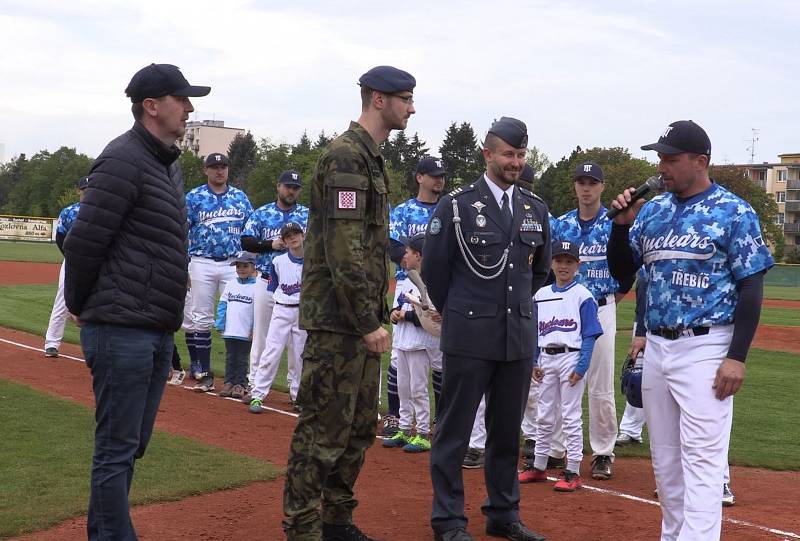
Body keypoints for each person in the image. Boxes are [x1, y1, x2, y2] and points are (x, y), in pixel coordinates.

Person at [63, 63, 209, 540]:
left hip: (154, 328)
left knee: (132, 445)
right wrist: (83, 304)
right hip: (121, 326)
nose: (189, 108)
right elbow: (84, 242)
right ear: (152, 105)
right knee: (117, 446)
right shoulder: (123, 159)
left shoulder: (166, 164)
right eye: (181, 99)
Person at [607, 120, 773, 540]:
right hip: (658, 348)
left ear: (700, 162)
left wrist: (736, 356)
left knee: (702, 461)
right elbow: (622, 275)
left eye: (671, 158)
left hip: (708, 345)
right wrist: (620, 225)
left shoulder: (734, 211)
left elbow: (752, 286)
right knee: (665, 461)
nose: (662, 166)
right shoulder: (654, 212)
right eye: (660, 157)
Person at [282, 65, 415, 541]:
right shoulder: (345, 157)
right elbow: (344, 248)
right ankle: (302, 526)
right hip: (340, 323)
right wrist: (366, 320)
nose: (411, 108)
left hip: (358, 323)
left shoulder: (371, 158)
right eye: (405, 98)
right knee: (323, 428)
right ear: (378, 99)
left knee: (359, 427)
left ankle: (337, 519)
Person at [423, 116, 550, 541]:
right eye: (508, 154)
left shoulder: (535, 209)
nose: (515, 162)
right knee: (454, 433)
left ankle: (503, 513)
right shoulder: (457, 206)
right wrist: (462, 312)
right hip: (469, 336)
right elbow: (434, 271)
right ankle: (449, 520)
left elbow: (540, 272)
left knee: (505, 433)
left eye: (520, 155)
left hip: (516, 337)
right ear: (488, 154)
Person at [549, 161, 634, 480]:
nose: (586, 187)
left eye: (592, 182)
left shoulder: (614, 223)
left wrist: (610, 301)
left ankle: (602, 452)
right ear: (575, 186)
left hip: (599, 307)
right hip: (565, 310)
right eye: (581, 182)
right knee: (559, 378)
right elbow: (549, 268)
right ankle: (556, 449)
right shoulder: (561, 224)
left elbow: (627, 271)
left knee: (599, 383)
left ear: (602, 186)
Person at [524, 240, 602, 492]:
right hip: (546, 358)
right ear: (551, 264)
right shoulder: (541, 295)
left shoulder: (583, 296)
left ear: (577, 266)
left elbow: (590, 334)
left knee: (570, 416)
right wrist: (535, 359)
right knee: (543, 414)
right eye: (559, 260)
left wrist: (582, 366)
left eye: (569, 261)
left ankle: (573, 471)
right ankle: (538, 465)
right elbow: (535, 333)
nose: (563, 266)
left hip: (571, 357)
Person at [385, 156, 446, 437]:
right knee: (401, 357)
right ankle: (396, 417)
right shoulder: (404, 211)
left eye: (441, 175)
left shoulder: (449, 209)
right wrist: (419, 266)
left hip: (440, 287)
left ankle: (440, 420)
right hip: (407, 283)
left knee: (439, 360)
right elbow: (392, 245)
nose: (439, 180)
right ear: (419, 177)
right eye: (433, 175)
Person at [185, 152, 253, 392]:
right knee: (201, 317)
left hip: (233, 263)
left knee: (238, 316)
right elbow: (181, 232)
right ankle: (204, 373)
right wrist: (184, 265)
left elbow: (250, 232)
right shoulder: (194, 197)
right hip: (201, 261)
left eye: (223, 166)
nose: (219, 171)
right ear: (206, 170)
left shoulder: (240, 198)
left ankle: (238, 376)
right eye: (214, 167)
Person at [240, 170, 309, 401]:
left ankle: (294, 389)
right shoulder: (262, 213)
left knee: (297, 341)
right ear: (278, 186)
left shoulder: (307, 215)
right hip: (266, 279)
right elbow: (246, 240)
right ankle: (254, 383)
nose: (291, 190)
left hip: (298, 285)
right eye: (288, 186)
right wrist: (270, 244)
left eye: (295, 187)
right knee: (262, 336)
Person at [383, 233, 440, 453]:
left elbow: (431, 317)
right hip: (404, 341)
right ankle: (404, 428)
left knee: (417, 388)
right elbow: (398, 306)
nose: (403, 255)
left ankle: (423, 433)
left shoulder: (434, 281)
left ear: (418, 255)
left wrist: (405, 316)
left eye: (407, 252)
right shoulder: (409, 278)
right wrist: (394, 313)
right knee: (403, 387)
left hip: (420, 343)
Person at [248, 221, 307, 414]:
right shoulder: (278, 261)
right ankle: (257, 395)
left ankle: (298, 396)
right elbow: (272, 288)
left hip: (302, 312)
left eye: (296, 233)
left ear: (303, 235)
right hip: (282, 309)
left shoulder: (313, 262)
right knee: (271, 352)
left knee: (300, 356)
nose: (293, 238)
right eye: (288, 236)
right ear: (283, 241)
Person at [44, 175, 88, 358]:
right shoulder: (69, 211)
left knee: (97, 303)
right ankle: (51, 343)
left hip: (99, 263)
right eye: (85, 188)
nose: (88, 191)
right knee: (62, 299)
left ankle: (92, 346)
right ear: (79, 190)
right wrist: (71, 258)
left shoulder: (103, 211)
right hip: (72, 261)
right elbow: (60, 237)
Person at [215, 252, 258, 400]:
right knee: (230, 356)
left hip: (245, 330)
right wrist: (220, 323)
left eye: (245, 266)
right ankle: (229, 382)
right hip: (230, 329)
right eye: (238, 266)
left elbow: (258, 311)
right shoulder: (231, 283)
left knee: (242, 358)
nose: (241, 269)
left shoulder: (258, 286)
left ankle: (240, 384)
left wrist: (254, 329)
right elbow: (223, 304)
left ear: (253, 267)